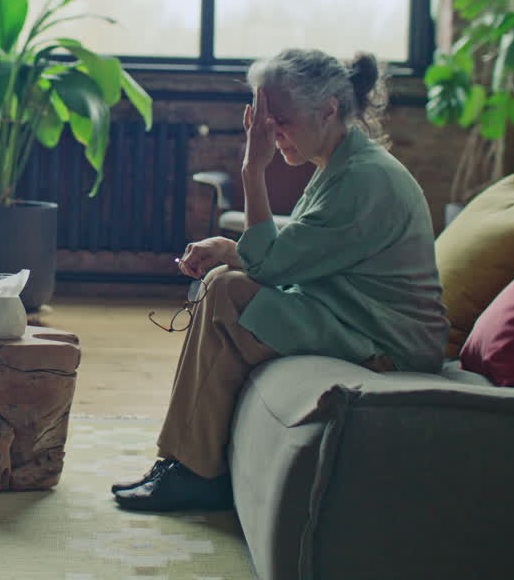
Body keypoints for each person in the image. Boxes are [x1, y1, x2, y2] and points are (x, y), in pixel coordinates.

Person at [112, 48, 448, 512]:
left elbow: (271, 264)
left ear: (328, 109)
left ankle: (190, 469)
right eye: (264, 121)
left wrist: (253, 168)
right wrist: (229, 248)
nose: (271, 133)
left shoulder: (364, 179)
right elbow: (302, 248)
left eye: (281, 120)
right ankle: (184, 464)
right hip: (347, 317)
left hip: (386, 343)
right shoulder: (343, 165)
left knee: (227, 290)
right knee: (225, 284)